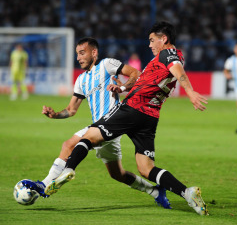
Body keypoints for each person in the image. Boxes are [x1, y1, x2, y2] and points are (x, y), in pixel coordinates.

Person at [45, 22, 209, 216]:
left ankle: (68, 169)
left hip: (132, 109)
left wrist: (190, 92)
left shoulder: (168, 55)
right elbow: (144, 83)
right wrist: (121, 88)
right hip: (150, 116)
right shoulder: (161, 60)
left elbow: (178, 70)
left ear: (163, 39)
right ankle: (187, 193)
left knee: (89, 137)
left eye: (152, 40)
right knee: (146, 168)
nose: (149, 45)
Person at [22, 37, 171, 209]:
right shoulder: (81, 80)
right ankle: (155, 191)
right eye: (77, 54)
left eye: (82, 53)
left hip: (113, 123)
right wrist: (54, 114)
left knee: (69, 145)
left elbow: (135, 74)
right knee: (118, 174)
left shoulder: (107, 65)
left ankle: (44, 184)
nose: (79, 57)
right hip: (99, 129)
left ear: (94, 53)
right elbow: (71, 110)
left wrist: (122, 87)